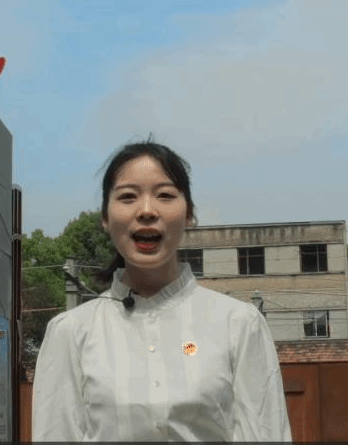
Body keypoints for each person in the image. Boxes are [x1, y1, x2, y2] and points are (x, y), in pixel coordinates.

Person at [32, 138, 292, 442]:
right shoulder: (69, 333)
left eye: (165, 195)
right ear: (105, 217)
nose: (146, 210)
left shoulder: (239, 324)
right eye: (128, 197)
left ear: (189, 213)